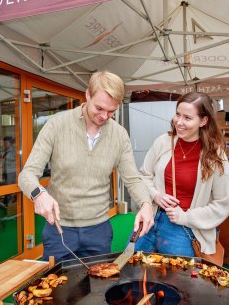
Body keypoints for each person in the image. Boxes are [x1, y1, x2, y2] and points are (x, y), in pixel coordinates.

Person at [18, 71, 154, 262]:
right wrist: (39, 194)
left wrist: (146, 204)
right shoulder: (56, 125)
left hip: (99, 230)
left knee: (99, 289)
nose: (105, 116)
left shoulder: (119, 134)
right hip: (59, 230)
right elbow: (27, 175)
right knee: (56, 290)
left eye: (111, 111)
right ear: (87, 95)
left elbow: (132, 179)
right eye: (99, 108)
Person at [135, 91, 229, 257]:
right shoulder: (163, 142)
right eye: (177, 115)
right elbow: (144, 176)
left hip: (183, 229)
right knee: (135, 271)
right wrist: (155, 195)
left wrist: (186, 217)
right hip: (151, 218)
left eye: (187, 118)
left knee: (178, 280)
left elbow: (222, 204)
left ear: (203, 121)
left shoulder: (215, 156)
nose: (179, 122)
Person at [1, 136, 16, 207]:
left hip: (11, 172)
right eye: (4, 143)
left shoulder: (13, 151)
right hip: (6, 171)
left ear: (10, 143)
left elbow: (13, 159)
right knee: (7, 186)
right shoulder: (5, 151)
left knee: (8, 187)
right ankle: (14, 198)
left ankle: (5, 202)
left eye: (6, 143)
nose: (5, 144)